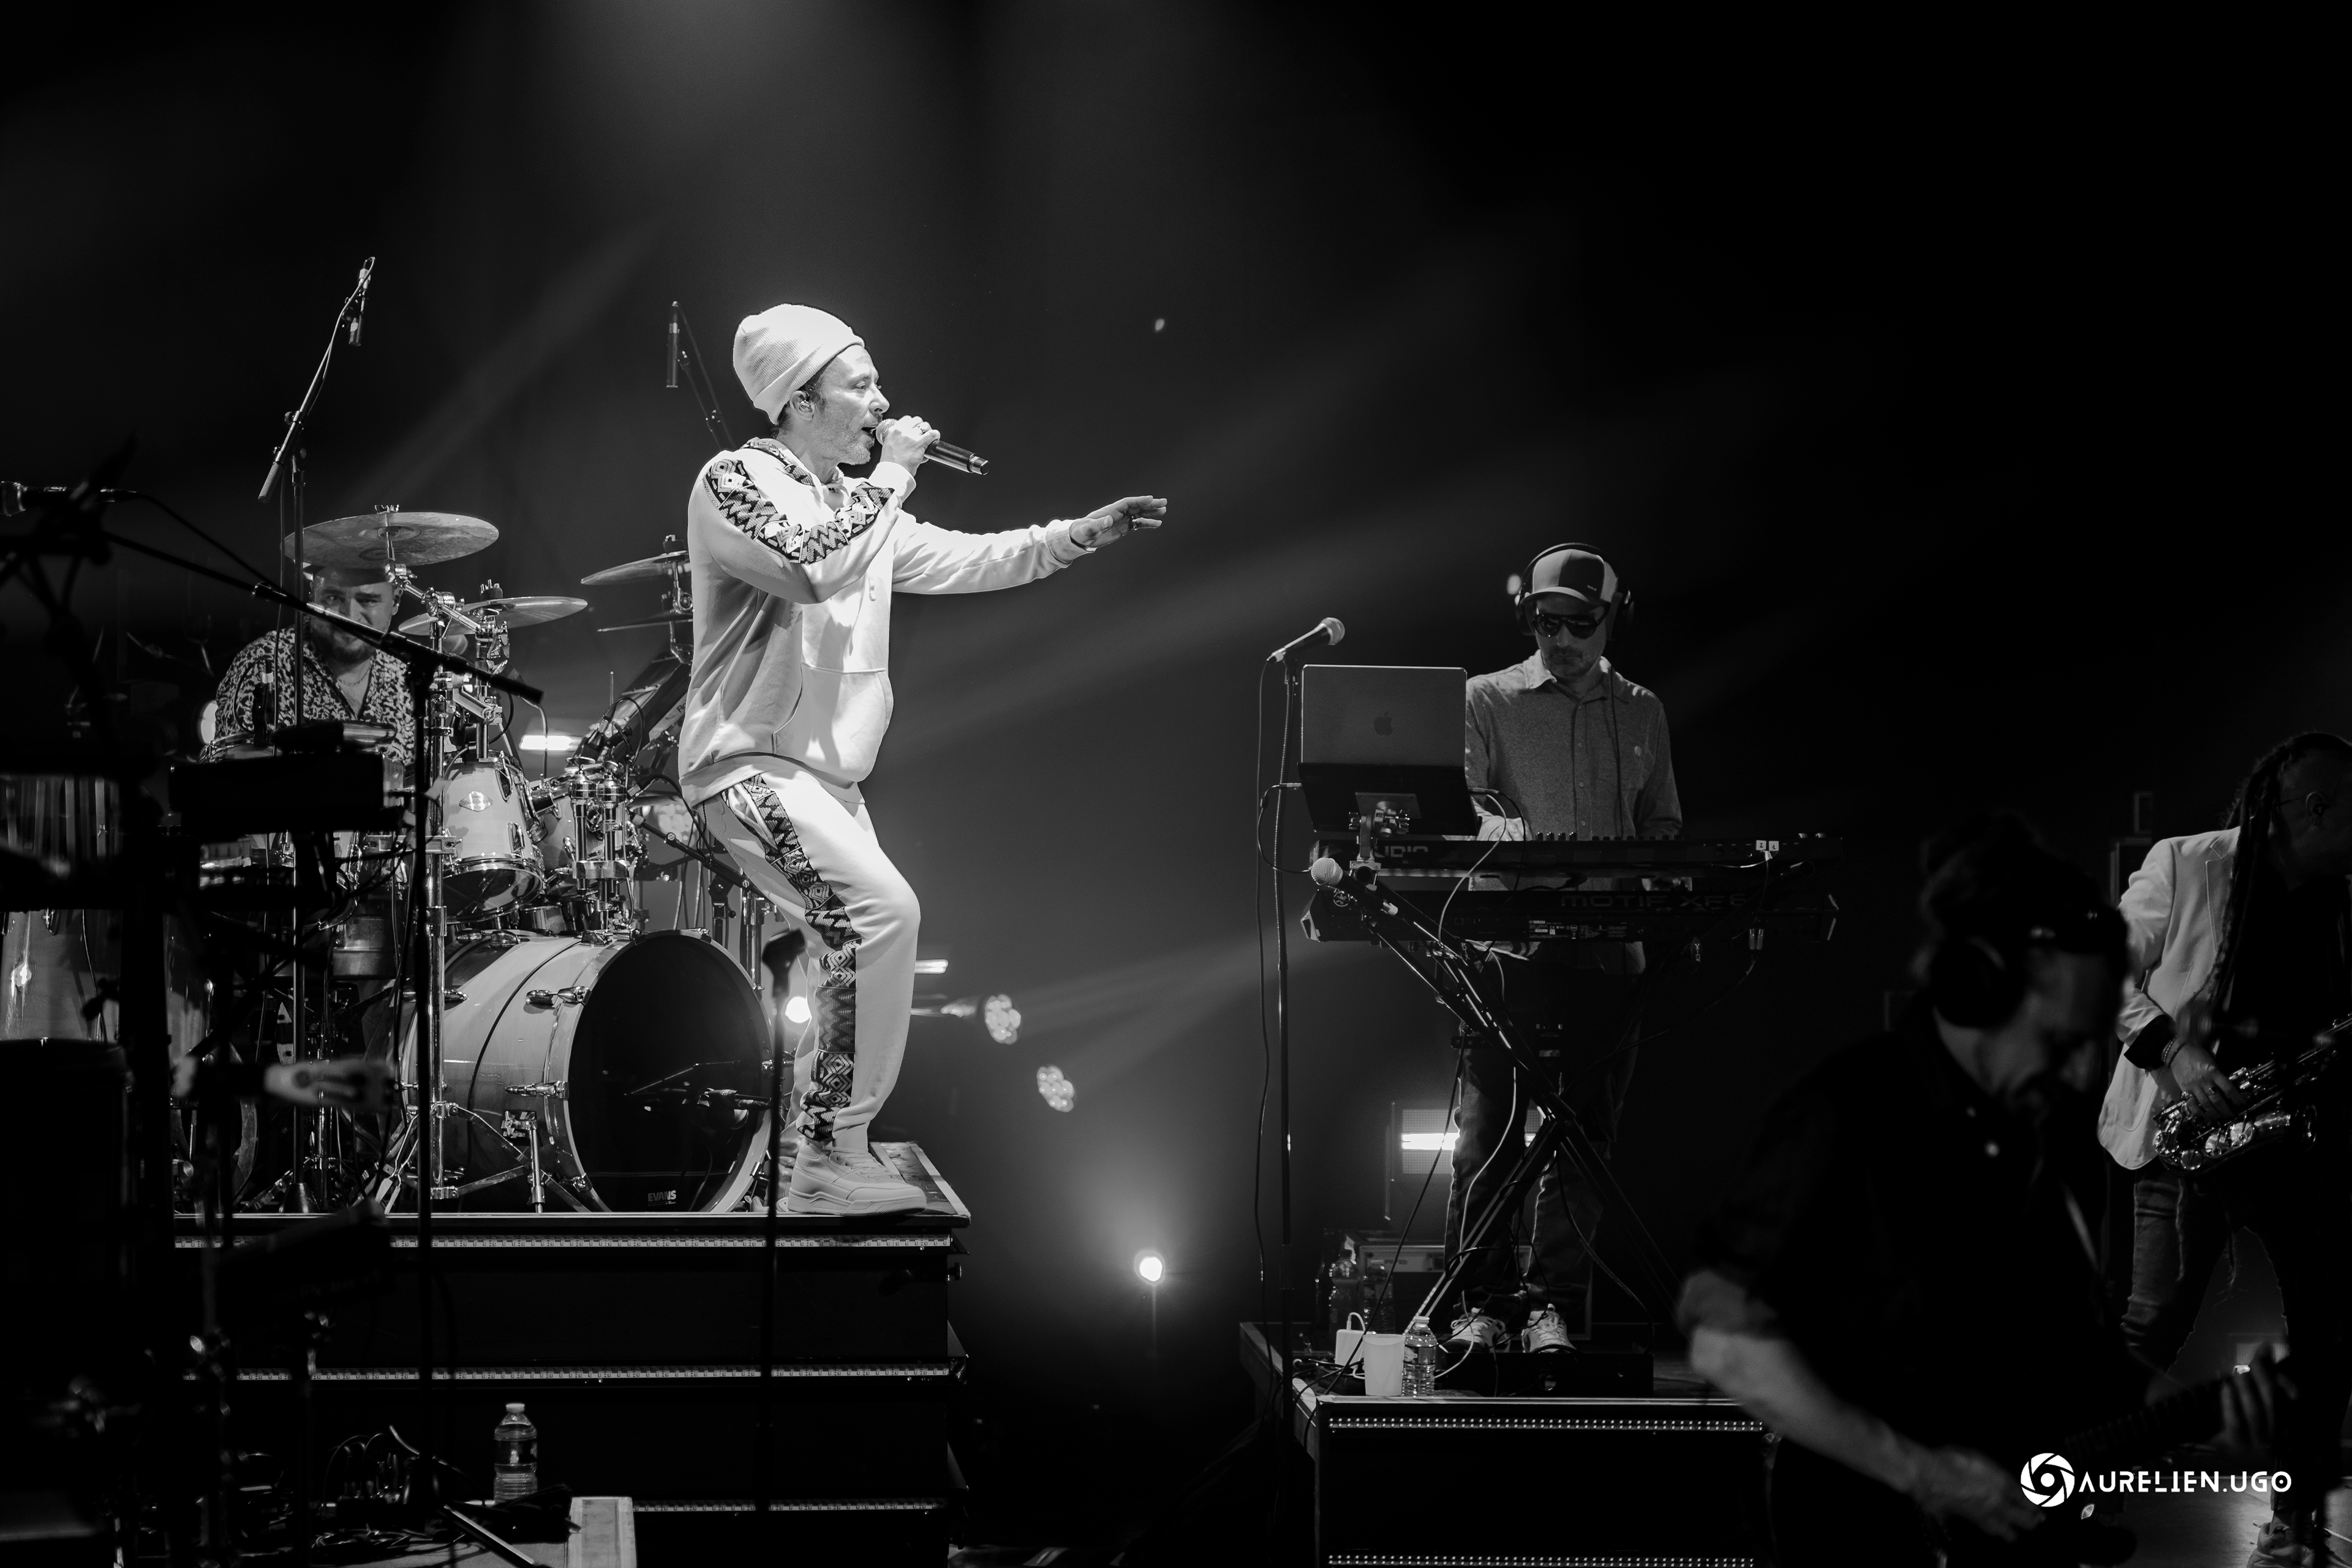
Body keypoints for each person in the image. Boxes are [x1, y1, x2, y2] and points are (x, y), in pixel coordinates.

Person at [1681, 816, 2292, 1567]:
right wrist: (1923, 1473)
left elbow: (2083, 1361)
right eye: (2057, 1041)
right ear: (1983, 990)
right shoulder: (1847, 1111)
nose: (2075, 1072)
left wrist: (2204, 1417)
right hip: (1864, 1529)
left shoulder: (2041, 1141)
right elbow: (1723, 1341)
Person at [683, 302, 1167, 1216]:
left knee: (852, 948)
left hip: (828, 781)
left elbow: (971, 559)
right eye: (861, 385)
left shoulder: (857, 508)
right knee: (881, 916)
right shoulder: (734, 482)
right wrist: (896, 474)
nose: (883, 402)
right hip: (746, 767)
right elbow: (808, 566)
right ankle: (826, 1155)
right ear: (799, 401)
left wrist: (1077, 535)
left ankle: (812, 1146)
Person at [2096, 733, 2352, 1566]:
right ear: (2317, 808)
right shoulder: (2187, 864)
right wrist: (2175, 1053)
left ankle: (2295, 1520)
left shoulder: (2341, 899)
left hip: (2299, 1140)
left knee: (2330, 1334)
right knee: (2150, 1328)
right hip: (2190, 1139)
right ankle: (2068, 1496)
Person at [1441, 543, 1679, 1352]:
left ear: (1615, 619)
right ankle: (1477, 1305)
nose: (1564, 640)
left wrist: (1651, 874)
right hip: (1508, 951)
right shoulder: (1485, 699)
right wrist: (1511, 836)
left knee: (1584, 1140)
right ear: (1529, 622)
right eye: (1548, 625)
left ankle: (1551, 1307)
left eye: (1581, 624)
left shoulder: (1641, 710)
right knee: (1489, 1132)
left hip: (1609, 955)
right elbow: (1459, 809)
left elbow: (1663, 826)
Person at [203, 565, 413, 768]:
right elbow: (242, 773)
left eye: (367, 600)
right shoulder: (267, 663)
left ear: (395, 601)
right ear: (312, 596)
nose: (350, 616)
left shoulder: (407, 677)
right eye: (333, 598)